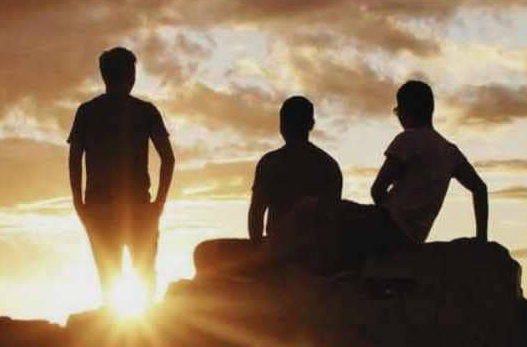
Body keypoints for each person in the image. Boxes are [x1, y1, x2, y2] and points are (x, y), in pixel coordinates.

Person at [68, 47, 175, 304]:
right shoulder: (145, 110)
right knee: (145, 275)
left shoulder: (87, 111)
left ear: (104, 75)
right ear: (131, 74)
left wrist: (78, 201)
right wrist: (159, 202)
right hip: (138, 205)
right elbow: (168, 159)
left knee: (108, 276)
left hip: (99, 206)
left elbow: (74, 161)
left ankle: (114, 335)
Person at [193, 96, 342, 278]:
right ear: (311, 124)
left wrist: (259, 254)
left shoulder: (271, 162)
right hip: (315, 255)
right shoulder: (329, 165)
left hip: (278, 252)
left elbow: (256, 215)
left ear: (282, 126)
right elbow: (333, 220)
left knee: (204, 252)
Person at [345, 80, 487, 264]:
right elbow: (480, 189)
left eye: (398, 110)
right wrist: (482, 239)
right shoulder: (450, 151)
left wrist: (386, 218)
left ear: (406, 111)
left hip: (389, 225)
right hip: (415, 237)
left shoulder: (407, 140)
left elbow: (377, 189)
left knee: (331, 212)